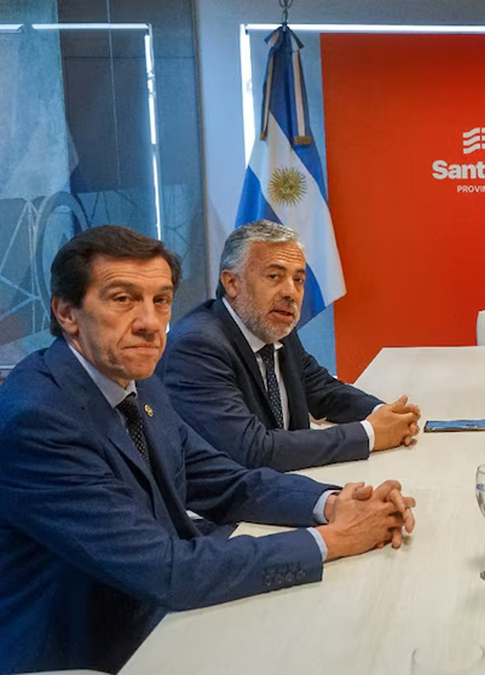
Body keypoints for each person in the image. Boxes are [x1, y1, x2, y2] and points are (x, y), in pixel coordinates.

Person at [0, 226, 418, 673]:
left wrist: (332, 503)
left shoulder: (138, 380)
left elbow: (222, 481)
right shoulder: (38, 418)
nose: (149, 322)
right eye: (123, 299)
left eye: (161, 301)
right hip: (91, 649)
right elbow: (167, 570)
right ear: (67, 312)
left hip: (161, 611)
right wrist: (333, 539)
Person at [158, 220, 420, 472]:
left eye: (298, 280)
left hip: (287, 485)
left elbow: (322, 391)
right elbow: (252, 450)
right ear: (232, 283)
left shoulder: (274, 326)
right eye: (274, 276)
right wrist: (370, 434)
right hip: (225, 510)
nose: (291, 293)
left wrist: (385, 414)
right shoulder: (197, 347)